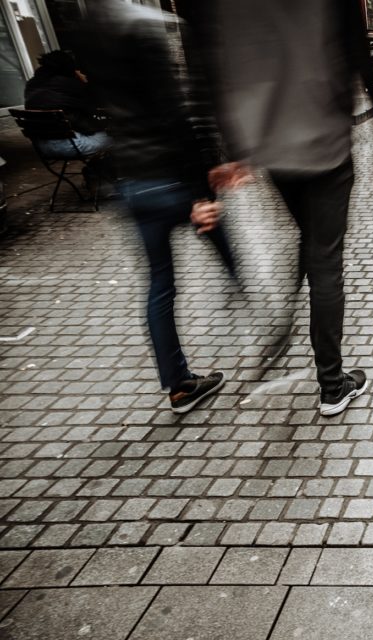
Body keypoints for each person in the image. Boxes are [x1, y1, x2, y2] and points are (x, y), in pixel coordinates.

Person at [196, 0, 373, 416]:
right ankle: (332, 384)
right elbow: (357, 50)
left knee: (306, 237)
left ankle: (284, 320)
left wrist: (228, 149)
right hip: (325, 144)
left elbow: (213, 65)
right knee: (326, 261)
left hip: (273, 149)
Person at [77, 0, 236, 414]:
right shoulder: (146, 26)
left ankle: (179, 384)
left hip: (132, 183)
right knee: (219, 233)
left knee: (159, 285)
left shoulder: (90, 28)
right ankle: (256, 308)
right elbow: (173, 113)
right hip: (169, 179)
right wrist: (201, 192)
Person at [23, 50, 110, 162]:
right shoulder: (70, 85)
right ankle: (110, 174)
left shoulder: (32, 85)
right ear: (69, 68)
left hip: (42, 148)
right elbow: (89, 119)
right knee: (120, 136)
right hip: (72, 146)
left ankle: (98, 171)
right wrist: (83, 83)